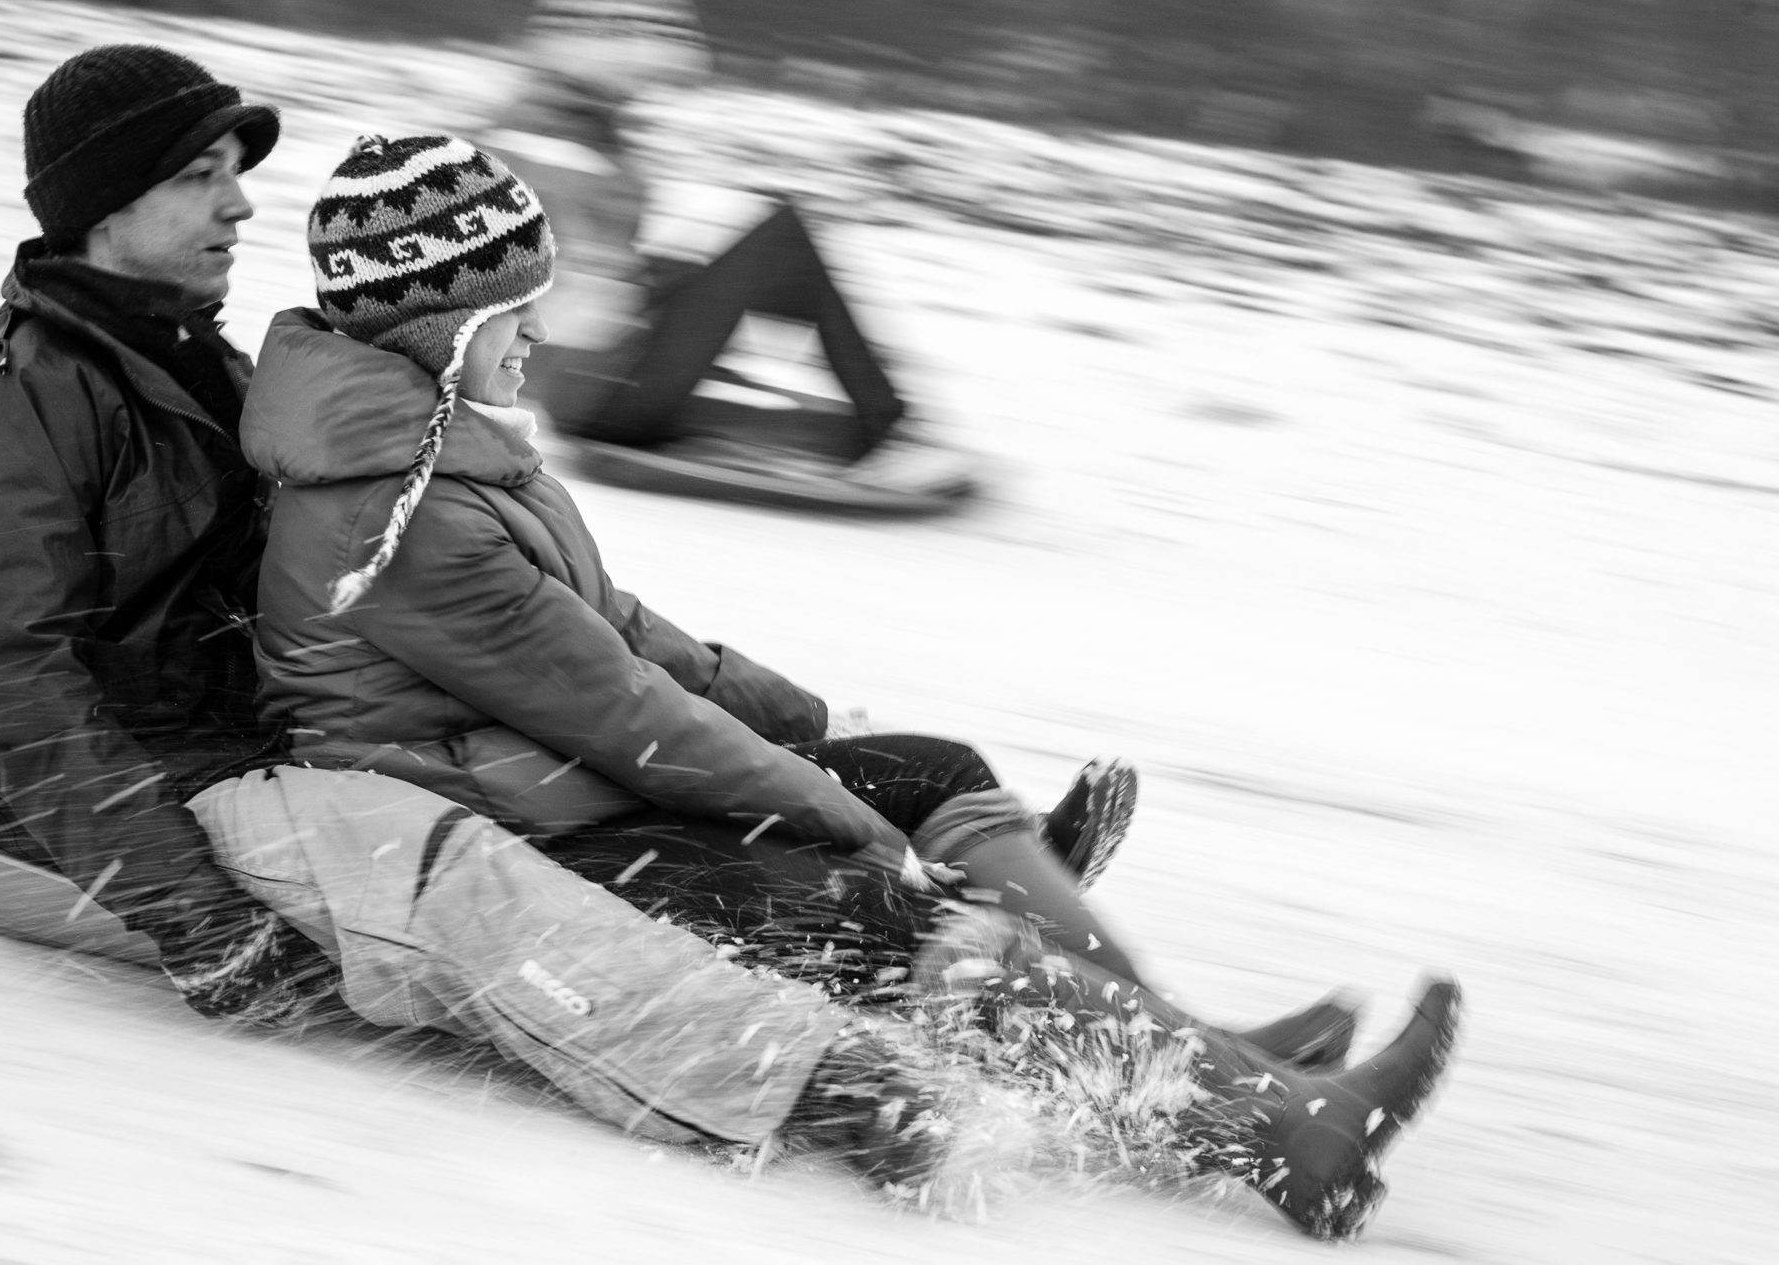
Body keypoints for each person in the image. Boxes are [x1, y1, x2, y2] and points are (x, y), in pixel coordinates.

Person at [247, 131, 1462, 1239]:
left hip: (570, 781)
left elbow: (624, 635)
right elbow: (626, 716)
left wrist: (814, 732)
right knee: (891, 915)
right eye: (519, 309)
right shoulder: (401, 516)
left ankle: (1199, 1053)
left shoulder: (450, 453)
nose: (543, 337)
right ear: (441, 323)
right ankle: (1278, 1131)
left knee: (927, 769)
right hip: (528, 840)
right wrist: (839, 816)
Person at [0, 45, 956, 1186]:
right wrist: (195, 914)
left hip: (243, 756)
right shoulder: (6, 403)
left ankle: (899, 934)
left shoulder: (190, 359)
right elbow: (16, 699)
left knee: (571, 791)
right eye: (196, 174)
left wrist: (797, 734)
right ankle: (815, 1081)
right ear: (101, 201)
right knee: (441, 872)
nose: (240, 198)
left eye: (235, 167)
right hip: (82, 825)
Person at [484, 0, 976, 506]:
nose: (647, 91)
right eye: (641, 77)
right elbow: (554, 280)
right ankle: (891, 428)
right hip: (598, 398)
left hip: (593, 383)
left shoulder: (573, 130)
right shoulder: (546, 143)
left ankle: (884, 424)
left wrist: (671, 291)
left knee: (743, 253)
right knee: (779, 236)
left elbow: (592, 270)